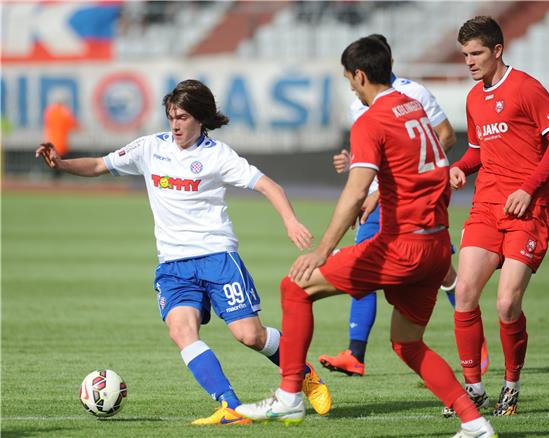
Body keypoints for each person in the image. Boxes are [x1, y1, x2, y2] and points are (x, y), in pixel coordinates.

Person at [236, 36, 497, 438]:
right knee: (407, 344)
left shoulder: (371, 120)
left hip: (402, 245)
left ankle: (289, 397)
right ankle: (475, 424)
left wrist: (322, 250)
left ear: (360, 75)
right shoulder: (414, 107)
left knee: (295, 287)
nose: (351, 88)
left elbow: (356, 190)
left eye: (349, 81)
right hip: (435, 248)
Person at [35, 79, 332, 425]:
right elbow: (101, 165)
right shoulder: (150, 147)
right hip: (173, 265)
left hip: (217, 258)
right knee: (182, 332)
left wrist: (291, 222)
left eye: (183, 117)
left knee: (249, 336)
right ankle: (230, 406)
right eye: (171, 116)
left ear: (201, 119)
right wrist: (62, 164)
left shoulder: (217, 155)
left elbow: (268, 185)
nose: (175, 124)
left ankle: (304, 373)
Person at [318, 34, 489, 379]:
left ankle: (477, 347)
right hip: (378, 197)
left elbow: (444, 135)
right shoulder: (361, 102)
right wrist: (356, 163)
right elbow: (380, 148)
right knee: (362, 265)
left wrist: (389, 184)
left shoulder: (415, 94)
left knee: (441, 272)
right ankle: (355, 353)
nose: (351, 83)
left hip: (410, 199)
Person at [450, 16, 549, 417]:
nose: (469, 61)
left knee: (506, 304)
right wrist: (460, 168)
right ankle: (474, 389)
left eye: (476, 53)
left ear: (497, 50)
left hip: (529, 209)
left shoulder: (526, 88)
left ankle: (511, 385)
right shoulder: (473, 98)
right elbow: (479, 151)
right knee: (465, 292)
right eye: (465, 54)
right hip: (486, 206)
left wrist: (528, 187)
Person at [43, 94, 79, 176]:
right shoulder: (65, 112)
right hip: (61, 142)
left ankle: (55, 182)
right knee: (61, 165)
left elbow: (47, 124)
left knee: (54, 165)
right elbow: (73, 124)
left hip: (51, 141)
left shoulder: (50, 111)